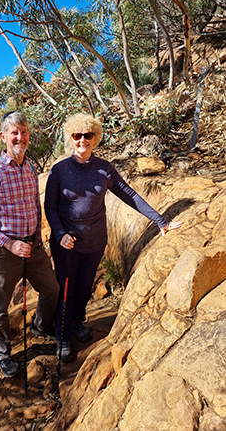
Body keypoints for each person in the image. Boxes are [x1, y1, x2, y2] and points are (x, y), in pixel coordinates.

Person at [44, 113, 182, 362]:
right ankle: (62, 335)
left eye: (88, 135)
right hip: (66, 242)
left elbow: (128, 194)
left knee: (84, 286)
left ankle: (76, 321)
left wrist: (161, 220)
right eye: (77, 136)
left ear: (95, 138)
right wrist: (60, 233)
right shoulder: (59, 171)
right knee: (66, 288)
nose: (82, 140)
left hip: (95, 241)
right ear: (71, 138)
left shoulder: (104, 169)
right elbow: (50, 208)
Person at [0, 111, 59, 378]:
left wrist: (36, 236)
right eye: (14, 133)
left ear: (29, 136)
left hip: (32, 247)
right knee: (0, 306)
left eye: (23, 132)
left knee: (52, 289)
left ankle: (41, 326)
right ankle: (1, 353)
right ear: (3, 136)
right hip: (3, 252)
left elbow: (34, 204)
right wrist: (9, 244)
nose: (19, 137)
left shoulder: (31, 167)